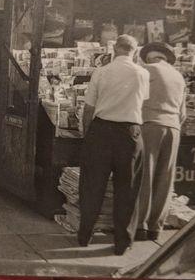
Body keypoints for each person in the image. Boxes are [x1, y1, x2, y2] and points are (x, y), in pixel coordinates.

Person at [78, 34, 149, 255]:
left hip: (101, 131)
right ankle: (122, 242)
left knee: (92, 185)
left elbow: (89, 108)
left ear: (115, 49)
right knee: (127, 189)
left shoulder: (101, 72)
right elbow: (141, 103)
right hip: (130, 133)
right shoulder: (143, 74)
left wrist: (87, 133)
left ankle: (84, 235)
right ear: (134, 51)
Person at [136, 42, 186, 242]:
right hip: (173, 127)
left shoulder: (146, 70)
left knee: (145, 176)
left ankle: (140, 225)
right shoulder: (179, 76)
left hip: (149, 125)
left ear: (149, 57)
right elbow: (183, 113)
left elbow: (134, 99)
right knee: (165, 178)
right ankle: (155, 227)